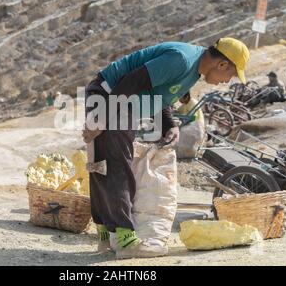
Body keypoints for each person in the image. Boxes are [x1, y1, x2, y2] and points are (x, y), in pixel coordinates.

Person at [82, 37, 250, 259]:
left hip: (119, 100)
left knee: (104, 164)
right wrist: (102, 119)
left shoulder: (193, 72)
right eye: (231, 75)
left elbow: (160, 97)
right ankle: (124, 239)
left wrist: (170, 126)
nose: (227, 81)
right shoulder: (181, 60)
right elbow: (131, 82)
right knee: (115, 163)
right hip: (109, 95)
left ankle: (107, 239)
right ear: (222, 64)